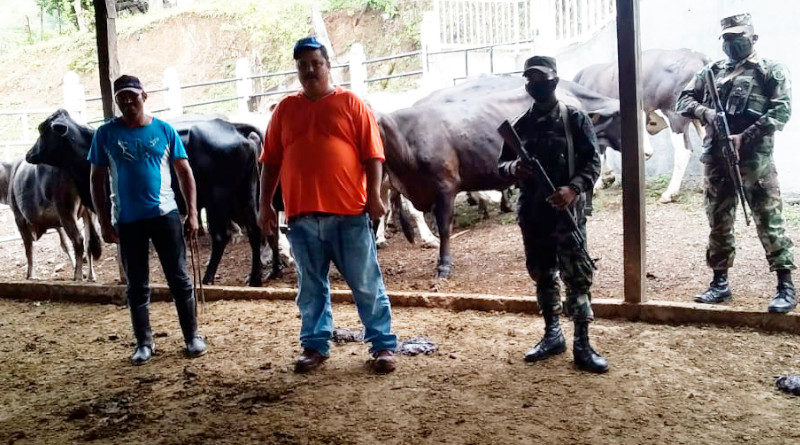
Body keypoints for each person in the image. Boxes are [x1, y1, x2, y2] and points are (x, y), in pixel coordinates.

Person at [257, 36, 397, 374]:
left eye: (315, 63)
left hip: (349, 212)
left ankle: (382, 346)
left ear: (327, 65)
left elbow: (373, 154)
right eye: (302, 65)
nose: (309, 70)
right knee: (310, 286)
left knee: (366, 281)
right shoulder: (285, 110)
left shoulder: (351, 103)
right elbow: (271, 161)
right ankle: (315, 346)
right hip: (302, 217)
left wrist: (375, 196)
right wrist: (264, 206)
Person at [676, 13, 795, 312]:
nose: (732, 43)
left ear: (753, 38)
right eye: (727, 38)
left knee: (769, 219)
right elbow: (683, 101)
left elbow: (781, 112)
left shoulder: (771, 71)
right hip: (717, 158)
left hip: (756, 160)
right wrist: (707, 113)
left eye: (738, 37)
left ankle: (785, 285)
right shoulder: (711, 72)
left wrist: (746, 135)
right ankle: (720, 283)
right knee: (718, 220)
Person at [498, 56, 607, 373]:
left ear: (555, 80)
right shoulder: (520, 126)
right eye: (530, 80)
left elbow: (593, 163)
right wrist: (515, 167)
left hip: (566, 214)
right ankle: (552, 334)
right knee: (543, 275)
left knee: (577, 278)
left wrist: (573, 189)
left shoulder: (574, 118)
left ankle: (582, 344)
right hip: (533, 214)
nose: (536, 85)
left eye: (541, 79)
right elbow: (501, 166)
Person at [89, 74, 206, 365]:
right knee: (136, 283)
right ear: (116, 101)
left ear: (145, 95)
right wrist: (103, 220)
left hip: (164, 215)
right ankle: (144, 342)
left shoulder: (164, 130)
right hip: (128, 220)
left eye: (133, 96)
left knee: (179, 278)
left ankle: (192, 336)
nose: (128, 102)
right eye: (121, 98)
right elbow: (97, 179)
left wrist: (192, 213)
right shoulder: (105, 134)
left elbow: (184, 172)